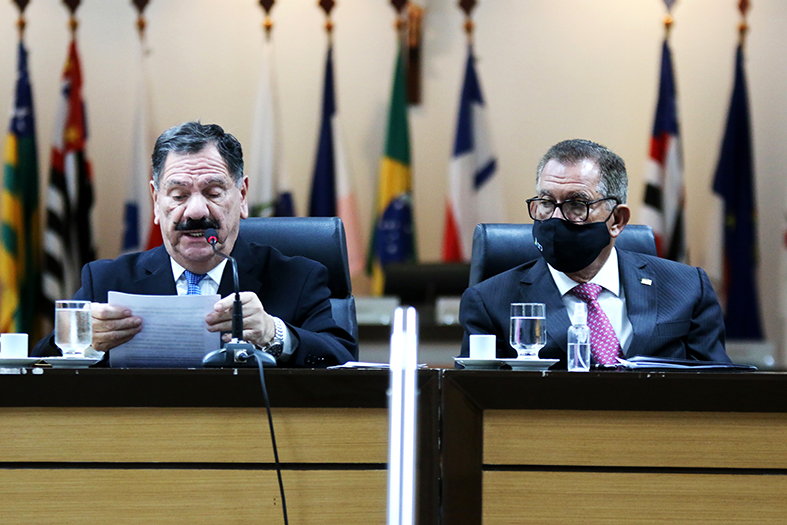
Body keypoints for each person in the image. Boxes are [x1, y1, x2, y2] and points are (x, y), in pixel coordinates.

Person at [33, 121, 356, 367]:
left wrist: (275, 334)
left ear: (241, 196)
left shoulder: (296, 277)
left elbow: (344, 358)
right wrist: (84, 341)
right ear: (156, 201)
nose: (197, 211)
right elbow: (40, 365)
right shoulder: (107, 281)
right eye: (179, 195)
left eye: (214, 193)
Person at [459, 138, 729, 366]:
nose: (555, 218)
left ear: (616, 221)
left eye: (577, 204)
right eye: (545, 202)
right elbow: (478, 402)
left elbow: (719, 393)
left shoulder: (688, 288)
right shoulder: (489, 303)